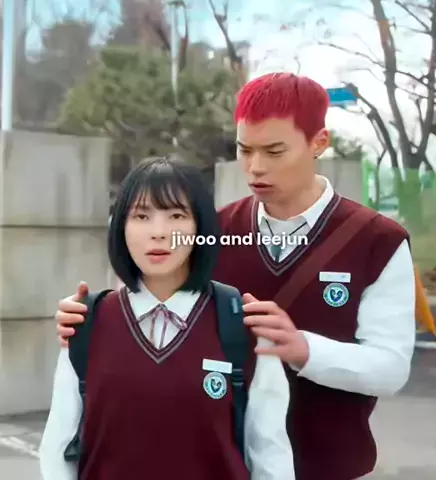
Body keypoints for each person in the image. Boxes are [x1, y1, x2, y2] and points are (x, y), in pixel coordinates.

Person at [53, 73, 416, 479]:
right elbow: (142, 298)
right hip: (218, 464)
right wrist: (86, 316)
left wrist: (303, 349)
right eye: (245, 150)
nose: (255, 167)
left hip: (328, 467)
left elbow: (391, 367)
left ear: (319, 143)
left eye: (274, 151)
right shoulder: (214, 229)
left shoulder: (377, 241)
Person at [39, 157, 295, 480]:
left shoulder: (243, 328)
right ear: (120, 227)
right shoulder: (87, 324)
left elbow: (271, 456)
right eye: (141, 216)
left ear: (201, 228)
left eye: (176, 215)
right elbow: (57, 450)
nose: (159, 233)